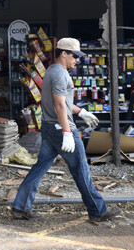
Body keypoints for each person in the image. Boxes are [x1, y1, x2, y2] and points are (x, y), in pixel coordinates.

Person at [11, 37, 121, 223]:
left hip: (49, 128)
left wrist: (81, 111)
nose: (77, 60)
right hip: (61, 129)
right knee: (81, 170)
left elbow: (64, 103)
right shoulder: (61, 74)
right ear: (64, 53)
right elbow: (60, 105)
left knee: (39, 169)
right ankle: (98, 211)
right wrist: (68, 132)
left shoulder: (52, 71)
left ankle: (20, 207)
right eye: (74, 56)